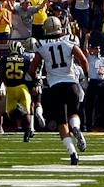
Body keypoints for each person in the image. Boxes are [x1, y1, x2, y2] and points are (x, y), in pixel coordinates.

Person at [37, 16, 90, 166]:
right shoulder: (69, 40)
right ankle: (76, 128)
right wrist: (86, 77)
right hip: (71, 84)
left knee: (62, 122)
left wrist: (33, 77)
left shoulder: (41, 44)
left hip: (55, 86)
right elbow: (84, 60)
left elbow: (34, 66)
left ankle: (73, 152)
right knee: (74, 114)